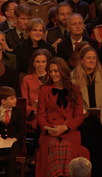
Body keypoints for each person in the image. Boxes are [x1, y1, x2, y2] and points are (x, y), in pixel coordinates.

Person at [36, 57, 85, 177]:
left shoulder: (75, 89)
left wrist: (66, 127)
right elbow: (40, 115)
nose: (53, 74)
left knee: (66, 145)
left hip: (69, 131)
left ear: (63, 71)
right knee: (54, 145)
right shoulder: (44, 90)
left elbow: (79, 116)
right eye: (51, 71)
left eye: (56, 71)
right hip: (50, 132)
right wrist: (48, 128)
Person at [71, 47, 102, 176]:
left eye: (94, 58)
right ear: (82, 60)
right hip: (82, 116)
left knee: (99, 128)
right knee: (88, 128)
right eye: (88, 58)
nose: (92, 60)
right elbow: (72, 101)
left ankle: (98, 170)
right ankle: (86, 170)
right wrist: (84, 112)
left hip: (100, 116)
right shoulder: (73, 77)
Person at [0, 86, 25, 177]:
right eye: (12, 98)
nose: (15, 100)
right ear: (3, 101)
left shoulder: (18, 111)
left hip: (13, 140)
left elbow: (21, 129)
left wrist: (14, 139)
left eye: (15, 97)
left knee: (11, 156)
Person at [21, 49, 51, 130]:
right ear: (33, 63)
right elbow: (24, 103)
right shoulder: (27, 80)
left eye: (43, 62)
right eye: (38, 62)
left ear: (47, 63)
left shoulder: (52, 78)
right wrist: (33, 112)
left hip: (51, 114)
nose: (41, 64)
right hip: (34, 115)